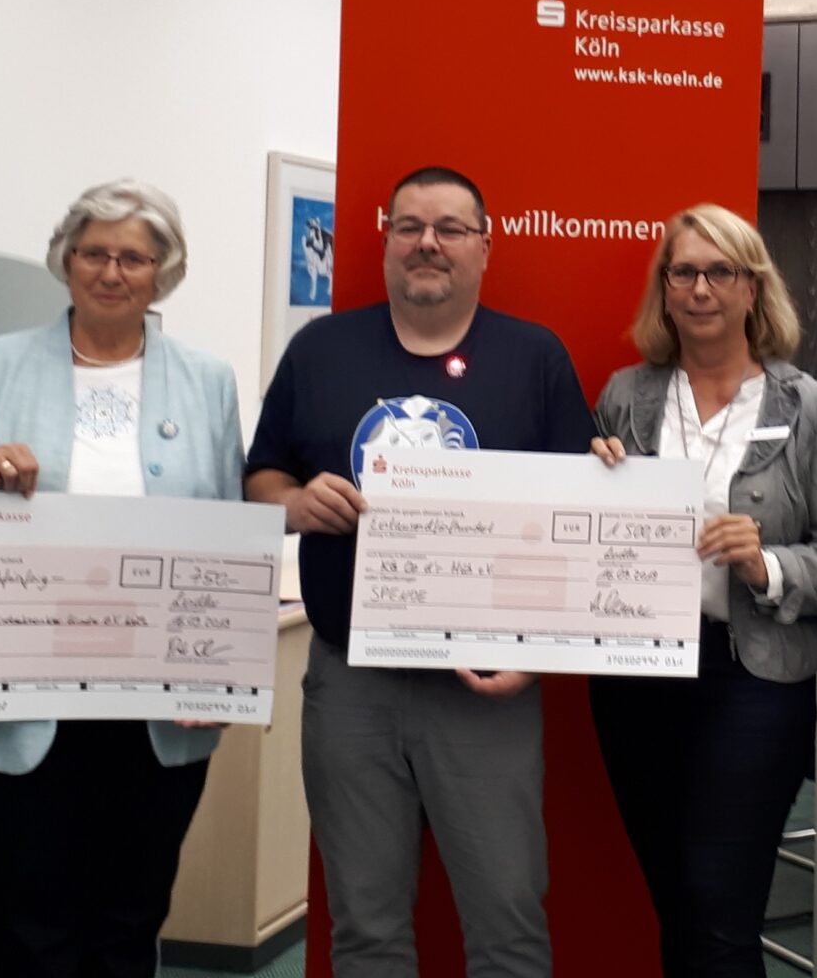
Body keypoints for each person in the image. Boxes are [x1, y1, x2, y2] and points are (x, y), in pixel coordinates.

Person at [244, 166, 595, 978]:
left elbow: (575, 521)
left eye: (449, 228)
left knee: (508, 921)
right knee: (364, 927)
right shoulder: (320, 350)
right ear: (385, 241)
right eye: (408, 226)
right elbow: (260, 477)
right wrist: (295, 503)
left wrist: (538, 654)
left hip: (483, 684)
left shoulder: (534, 357)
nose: (427, 243)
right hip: (351, 684)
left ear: (485, 247)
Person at [0, 178, 246, 978]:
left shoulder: (207, 381)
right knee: (22, 919)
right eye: (94, 252)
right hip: (22, 694)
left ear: (163, 272)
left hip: (153, 702)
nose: (112, 271)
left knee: (130, 914)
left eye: (134, 257)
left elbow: (228, 533)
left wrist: (220, 675)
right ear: (66, 260)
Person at [586, 204, 817, 978]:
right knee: (677, 902)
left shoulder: (809, 407)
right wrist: (596, 483)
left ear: (753, 288)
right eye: (683, 272)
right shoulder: (624, 397)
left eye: (721, 272)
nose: (701, 288)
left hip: (755, 679)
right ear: (665, 288)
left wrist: (766, 566)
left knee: (720, 910)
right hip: (637, 676)